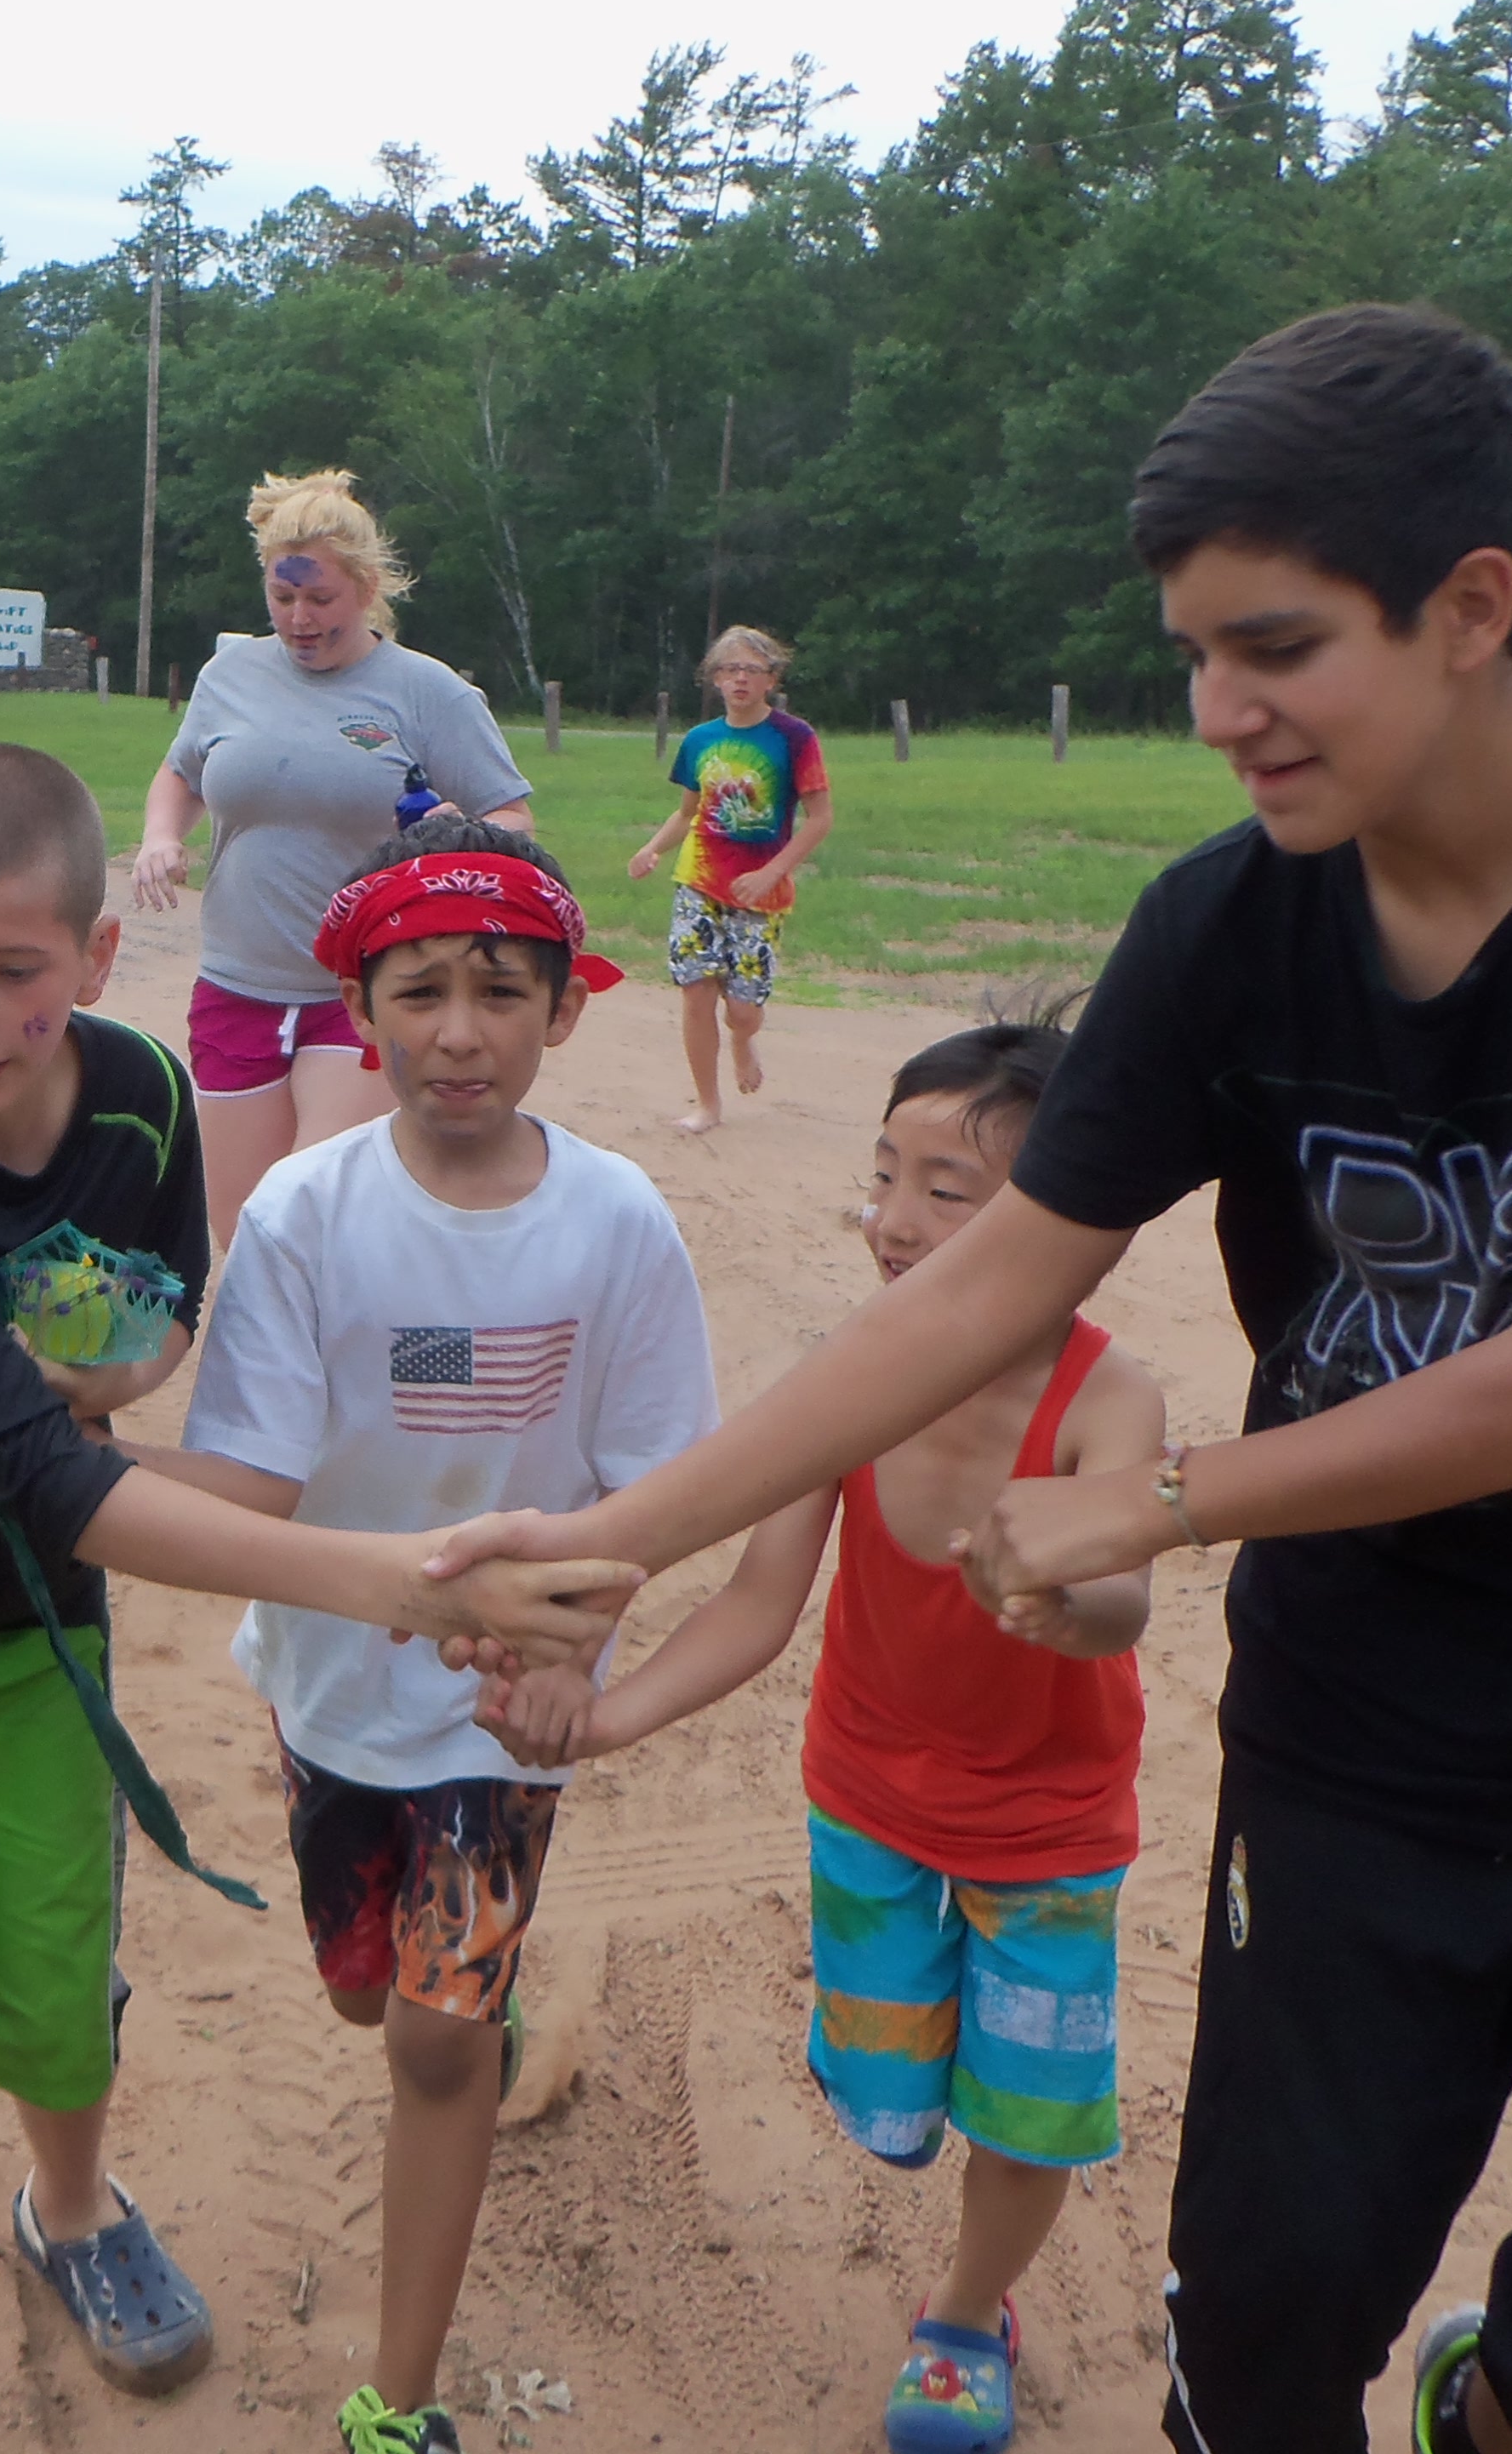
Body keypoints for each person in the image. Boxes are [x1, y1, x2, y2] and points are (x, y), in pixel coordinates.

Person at [424, 304, 1512, 2454]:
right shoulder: (1225, 924)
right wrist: (613, 1541)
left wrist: (1157, 1495)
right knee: (1263, 2323)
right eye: (1194, 653)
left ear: (1470, 604)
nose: (1218, 711)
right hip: (1368, 1727)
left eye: (1274, 648)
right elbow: (977, 1290)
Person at [0, 741, 642, 2454]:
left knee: (54, 1994)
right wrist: (392, 1580)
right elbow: (39, 1476)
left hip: (28, 1636)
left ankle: (72, 2208)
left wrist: (113, 1377)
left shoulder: (136, 1096)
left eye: (14, 970)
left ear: (98, 953)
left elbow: (160, 1308)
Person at [485, 1017, 1162, 2454]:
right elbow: (755, 1602)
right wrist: (605, 1716)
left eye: (945, 1191)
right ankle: (930, 2169)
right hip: (868, 1802)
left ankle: (965, 2316)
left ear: (1067, 1226)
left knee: (1025, 2111)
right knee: (889, 2099)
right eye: (883, 1176)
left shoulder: (1105, 1398)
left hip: (1047, 1834)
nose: (893, 1221)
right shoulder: (848, 1380)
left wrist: (1070, 1595)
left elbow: (1121, 1601)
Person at [123, 814, 713, 2454]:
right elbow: (251, 1479)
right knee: (362, 1993)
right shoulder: (300, 1214)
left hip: (499, 1714)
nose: (460, 1032)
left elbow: (653, 1491)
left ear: (563, 1010)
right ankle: (462, 2010)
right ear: (358, 1011)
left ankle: (397, 2397)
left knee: (433, 2045)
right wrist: (63, 1454)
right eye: (421, 991)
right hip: (327, 1680)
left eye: (501, 992)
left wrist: (565, 1656)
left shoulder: (617, 1222)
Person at [136, 470, 534, 1247]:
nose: (299, 617)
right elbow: (181, 774)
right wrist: (161, 835)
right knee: (241, 1227)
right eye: (282, 597)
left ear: (367, 588)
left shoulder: (428, 692)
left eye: (320, 598)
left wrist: (459, 830)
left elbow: (511, 816)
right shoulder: (230, 676)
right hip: (236, 984)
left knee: (311, 1209)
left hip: (359, 988)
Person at [627, 625, 830, 1135]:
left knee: (742, 1010)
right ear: (715, 678)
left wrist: (772, 872)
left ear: (771, 679)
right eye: (730, 669)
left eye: (752, 670)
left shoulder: (794, 738)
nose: (740, 679)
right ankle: (708, 1104)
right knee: (696, 992)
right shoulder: (700, 739)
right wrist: (652, 849)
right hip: (698, 881)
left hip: (761, 892)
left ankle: (743, 1039)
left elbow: (820, 819)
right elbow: (687, 812)